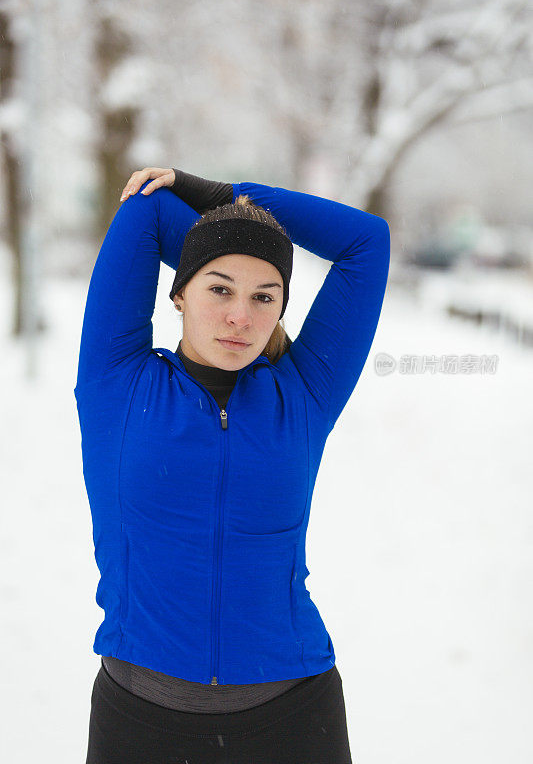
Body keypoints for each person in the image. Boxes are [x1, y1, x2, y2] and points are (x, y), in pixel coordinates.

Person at [75, 166, 390, 763]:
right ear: (178, 291)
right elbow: (145, 210)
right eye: (219, 289)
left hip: (294, 717)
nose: (239, 317)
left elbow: (366, 241)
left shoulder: (304, 393)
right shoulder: (116, 381)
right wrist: (230, 226)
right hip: (140, 722)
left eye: (263, 298)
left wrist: (233, 200)